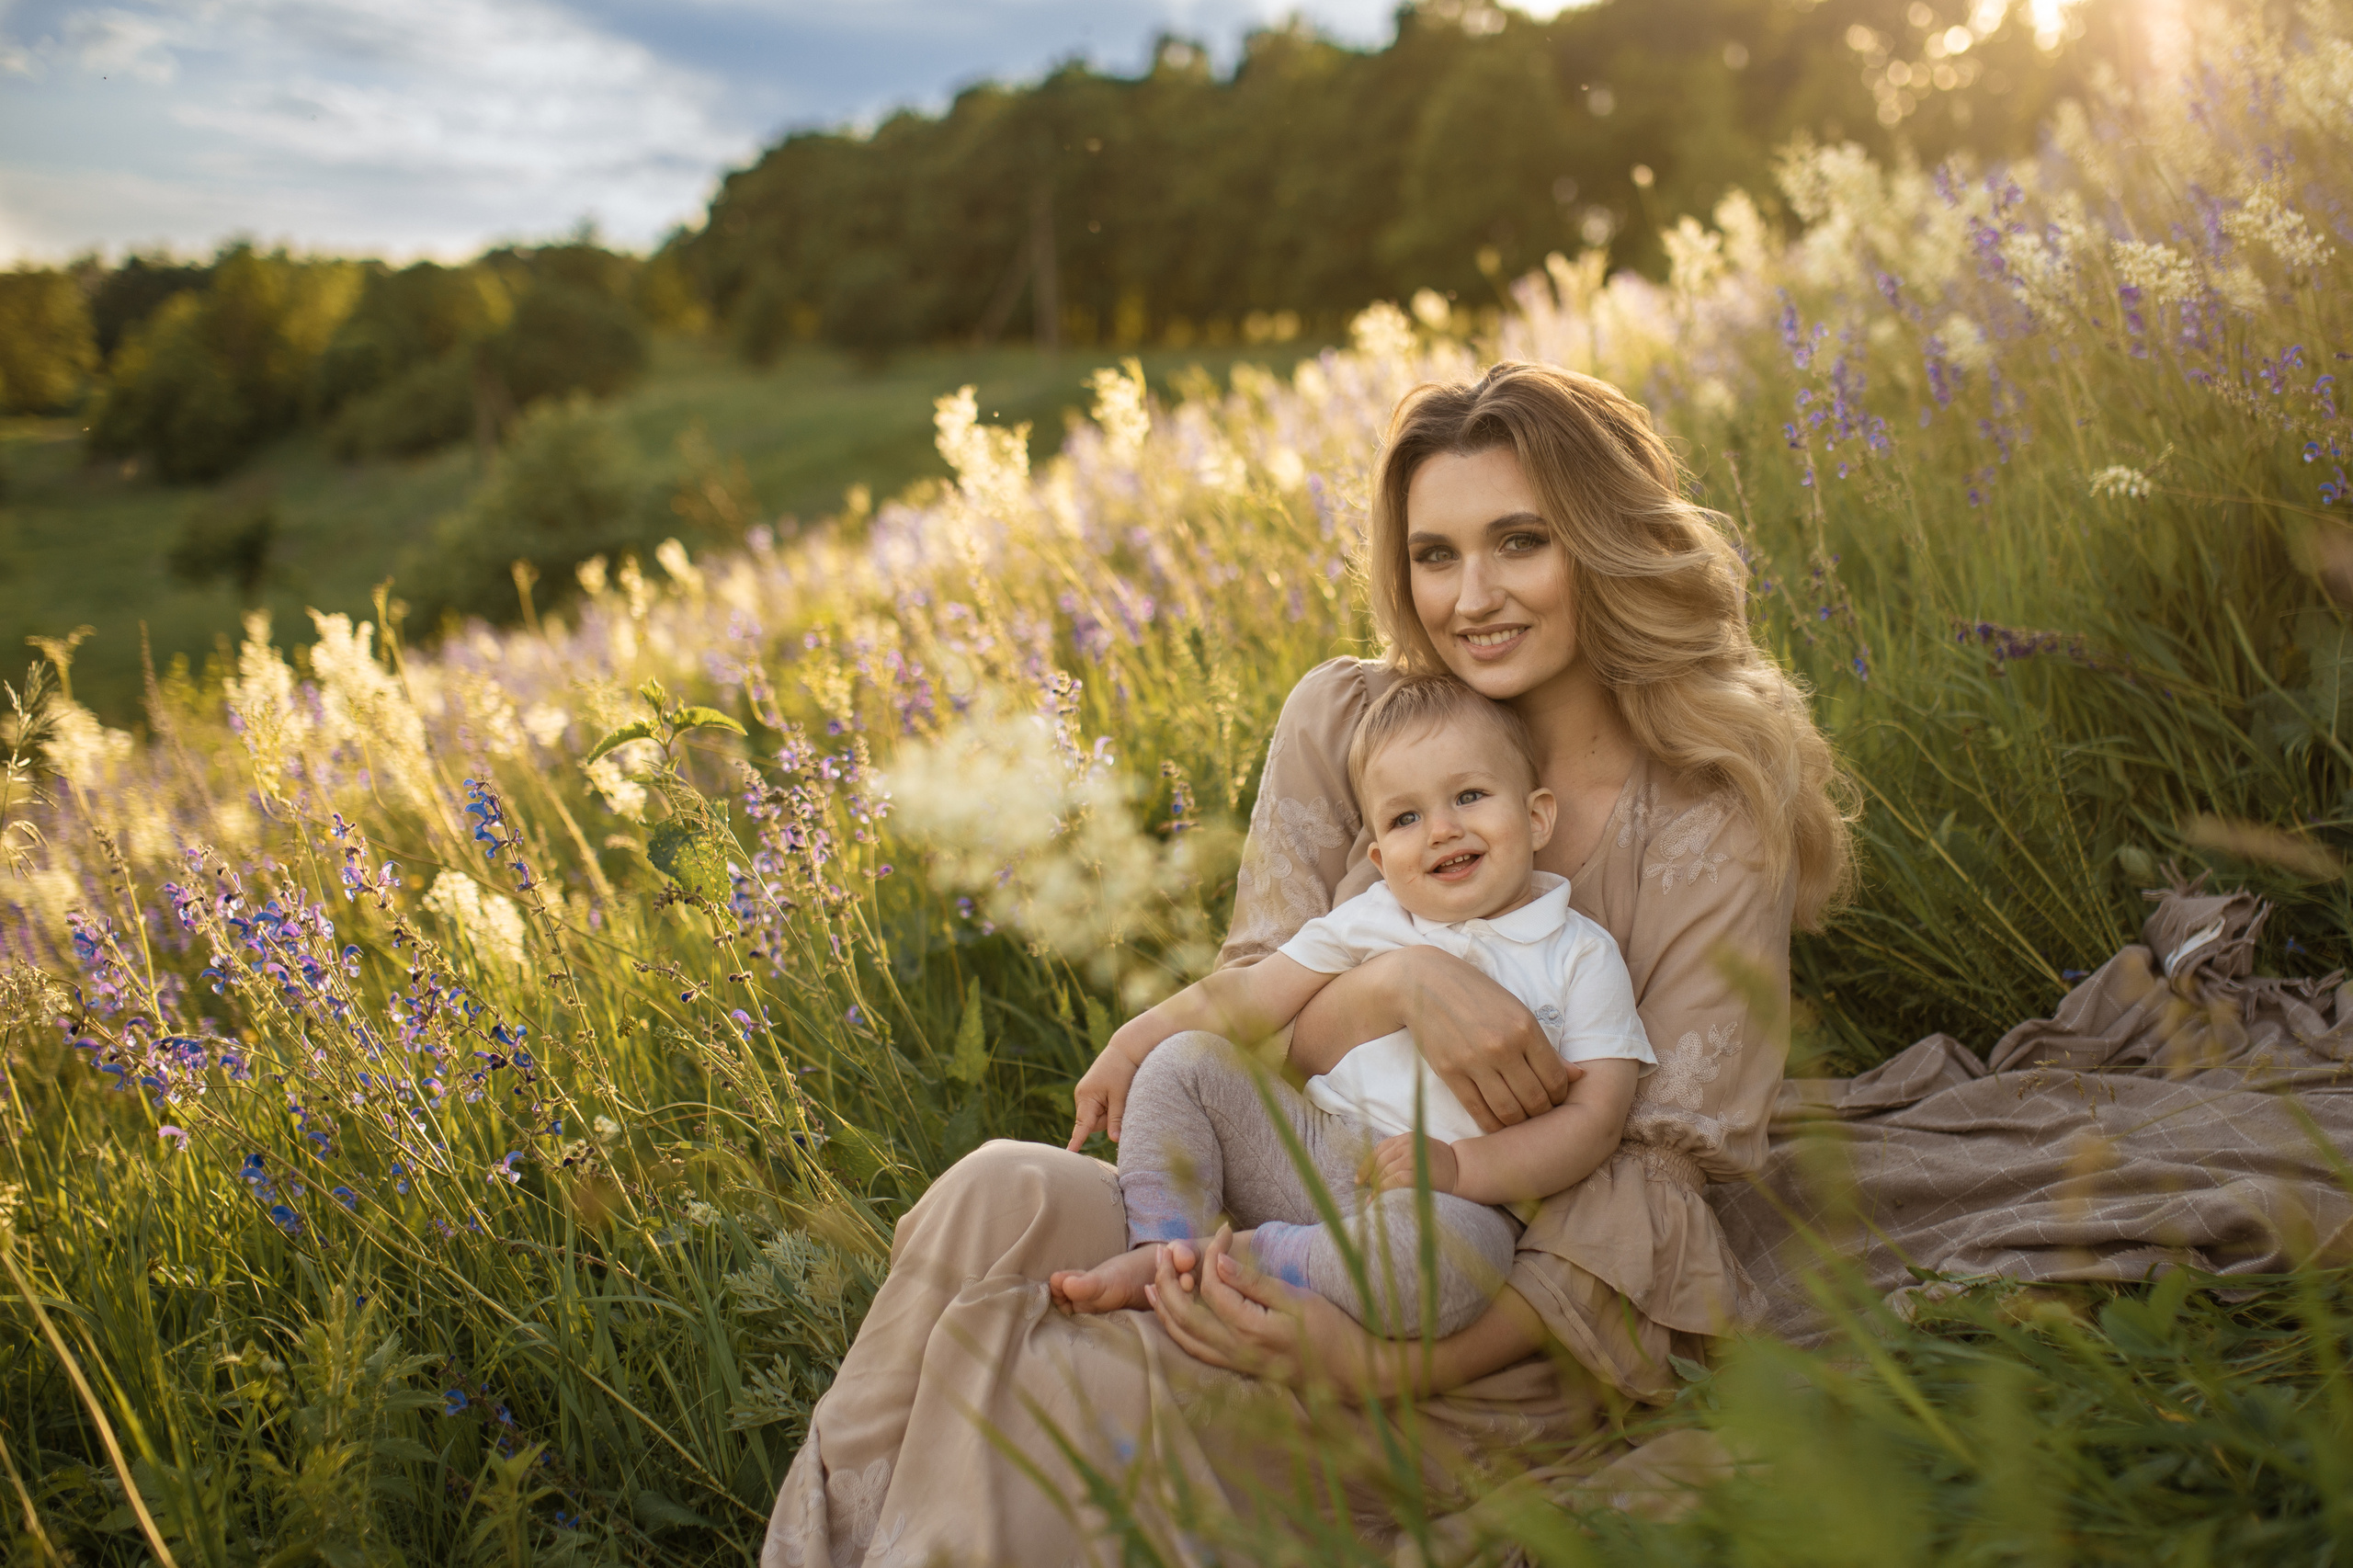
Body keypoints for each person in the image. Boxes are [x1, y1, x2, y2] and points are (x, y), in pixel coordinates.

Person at [762, 361, 1855, 1566]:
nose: (1473, 596)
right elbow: (1246, 1029)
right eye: (1435, 554)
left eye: (1520, 541)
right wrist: (1395, 989)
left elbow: (1660, 1194)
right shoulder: (1348, 724)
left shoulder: (1704, 808)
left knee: (1067, 1374)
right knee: (997, 1192)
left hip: (1480, 1302)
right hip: (1301, 1179)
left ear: (1601, 542)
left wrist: (1378, 1365)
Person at [1051, 672, 1655, 1338]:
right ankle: (1162, 1247)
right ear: (1378, 854)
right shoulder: (1373, 920)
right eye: (1406, 818)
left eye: (1471, 796)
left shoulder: (1579, 954)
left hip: (1447, 1202)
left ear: (1537, 817)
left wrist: (1462, 1168)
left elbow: (1597, 1120)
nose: (1442, 830)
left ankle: (1244, 1258)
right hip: (1314, 1150)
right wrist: (1128, 1046)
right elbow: (1249, 996)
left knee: (1437, 1266)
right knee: (1183, 1063)